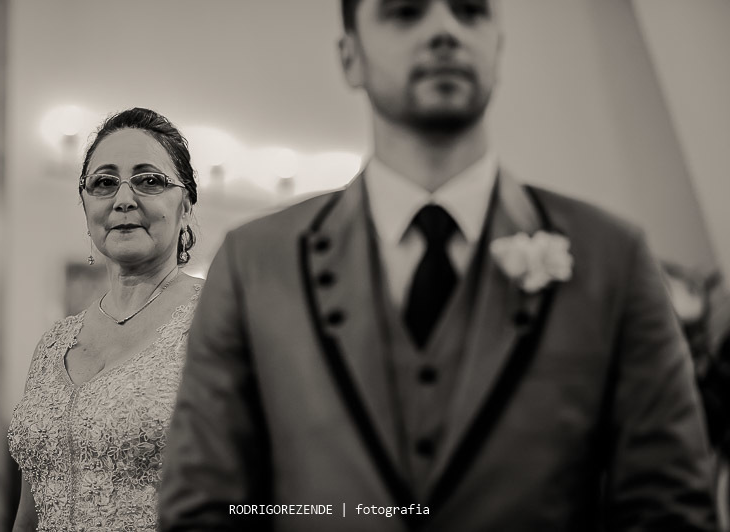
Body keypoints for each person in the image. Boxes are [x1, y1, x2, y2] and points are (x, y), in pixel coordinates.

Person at [159, 1, 716, 530]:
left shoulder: (612, 259)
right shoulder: (254, 263)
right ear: (350, 57)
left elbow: (667, 509)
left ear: (496, 46)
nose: (444, 29)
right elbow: (207, 509)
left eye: (470, 10)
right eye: (406, 11)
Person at [8, 107, 202, 531]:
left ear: (185, 206)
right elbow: (29, 512)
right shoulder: (54, 344)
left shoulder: (214, 323)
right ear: (86, 207)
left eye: (150, 180)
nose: (124, 199)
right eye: (104, 182)